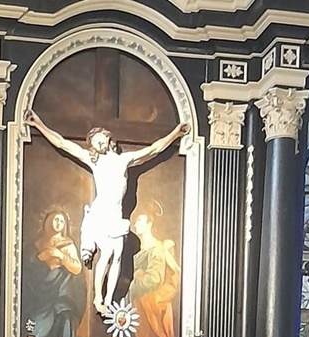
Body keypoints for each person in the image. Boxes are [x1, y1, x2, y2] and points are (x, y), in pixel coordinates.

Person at [24, 108, 188, 314]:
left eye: (99, 138)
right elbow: (62, 143)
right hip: (101, 214)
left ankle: (108, 301)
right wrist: (39, 124)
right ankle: (98, 298)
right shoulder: (95, 161)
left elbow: (153, 150)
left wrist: (175, 134)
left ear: (107, 137)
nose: (97, 143)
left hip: (117, 216)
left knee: (117, 256)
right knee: (107, 254)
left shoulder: (123, 160)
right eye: (93, 142)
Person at [23, 208, 87, 337]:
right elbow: (28, 266)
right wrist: (42, 257)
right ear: (46, 223)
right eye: (54, 219)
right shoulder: (36, 244)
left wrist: (60, 256)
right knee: (37, 328)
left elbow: (77, 268)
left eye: (61, 221)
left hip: (60, 294)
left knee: (62, 320)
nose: (57, 223)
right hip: (40, 295)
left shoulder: (67, 244)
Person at [129, 209, 180, 337]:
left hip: (153, 305)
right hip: (139, 306)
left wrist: (134, 281)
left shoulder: (156, 248)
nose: (136, 224)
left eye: (140, 220)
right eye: (135, 221)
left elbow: (155, 278)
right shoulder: (138, 249)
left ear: (150, 223)